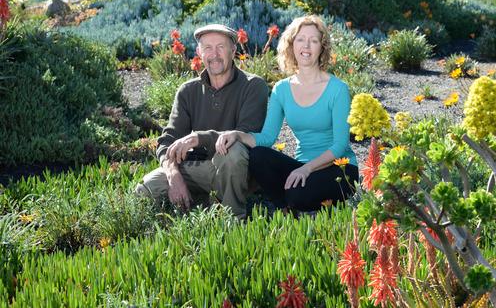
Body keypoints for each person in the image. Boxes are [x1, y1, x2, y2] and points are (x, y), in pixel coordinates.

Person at [215, 15, 358, 213]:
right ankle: (288, 206)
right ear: (291, 45)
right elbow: (267, 138)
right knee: (258, 156)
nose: (306, 46)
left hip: (340, 168)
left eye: (314, 40)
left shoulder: (338, 89)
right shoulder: (281, 89)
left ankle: (292, 202)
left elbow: (340, 145)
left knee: (298, 194)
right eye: (300, 39)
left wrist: (307, 169)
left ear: (322, 47)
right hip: (301, 165)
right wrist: (237, 134)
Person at [135, 24, 269, 218]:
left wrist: (198, 138)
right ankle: (205, 207)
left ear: (233, 50)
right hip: (198, 169)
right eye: (207, 48)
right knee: (145, 190)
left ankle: (234, 220)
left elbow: (247, 132)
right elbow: (167, 141)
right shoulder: (188, 91)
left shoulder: (254, 86)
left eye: (221, 47)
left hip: (236, 171)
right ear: (199, 52)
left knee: (233, 150)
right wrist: (174, 175)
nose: (214, 54)